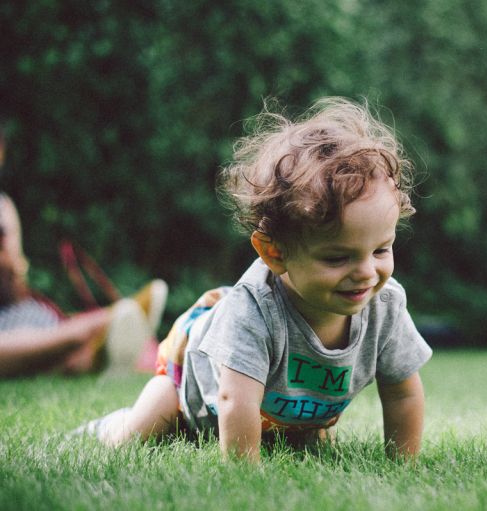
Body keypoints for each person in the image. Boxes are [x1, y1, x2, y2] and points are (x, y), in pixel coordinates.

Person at [75, 97, 432, 462]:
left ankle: (300, 430)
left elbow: (402, 392)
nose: (367, 272)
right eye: (337, 257)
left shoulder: (385, 306)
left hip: (285, 419)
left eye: (381, 250)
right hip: (190, 397)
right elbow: (235, 398)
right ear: (275, 253)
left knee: (306, 447)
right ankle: (110, 427)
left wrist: (402, 466)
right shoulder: (254, 311)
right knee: (141, 430)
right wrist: (247, 476)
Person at [0, 119, 167, 377]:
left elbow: (14, 287)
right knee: (57, 344)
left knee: (45, 334)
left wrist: (11, 264)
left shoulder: (4, 206)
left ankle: (98, 341)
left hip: (14, 315)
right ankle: (99, 327)